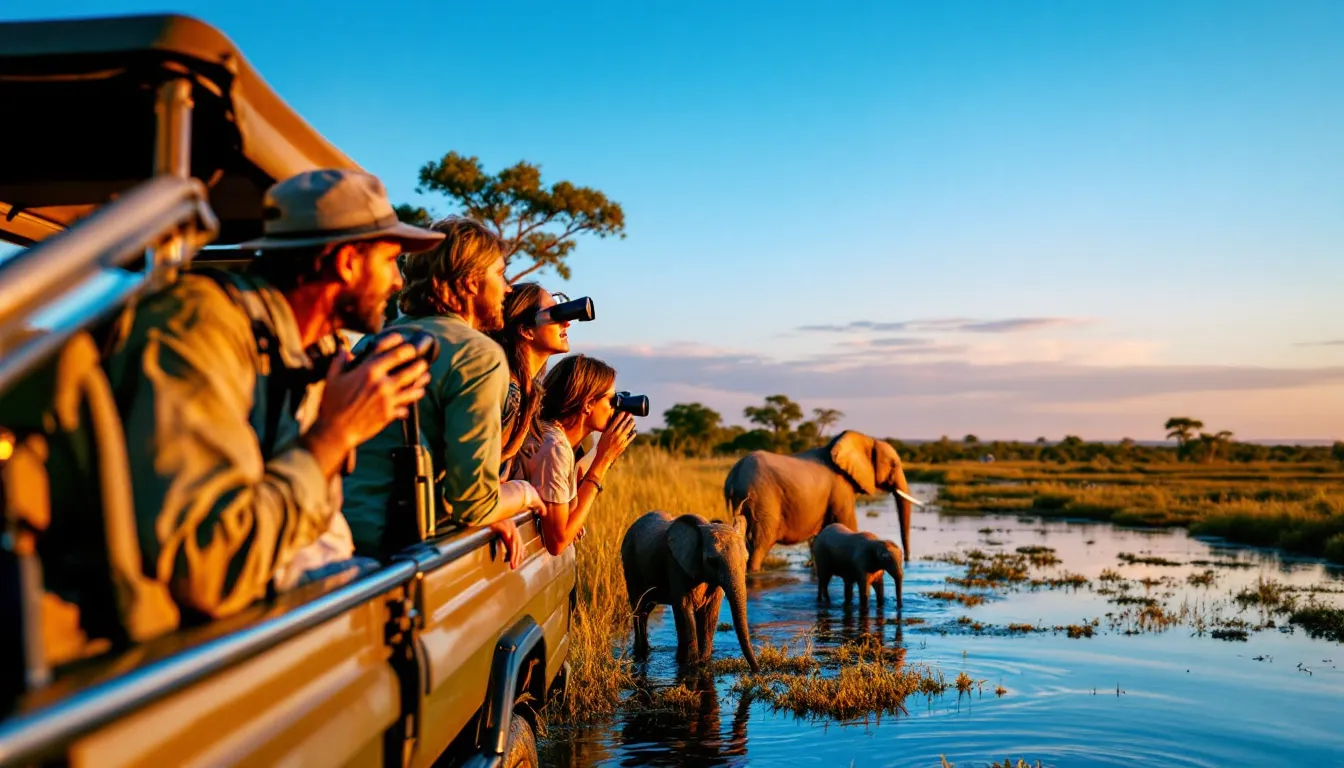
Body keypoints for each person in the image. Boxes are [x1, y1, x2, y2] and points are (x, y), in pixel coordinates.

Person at [104, 168, 442, 620]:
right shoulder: (199, 330)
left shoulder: (308, 351)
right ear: (346, 262)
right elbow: (207, 570)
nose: (399, 282)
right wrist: (334, 435)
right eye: (389, 261)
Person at [342, 217, 544, 563]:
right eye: (499, 274)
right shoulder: (479, 355)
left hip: (342, 538)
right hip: (402, 551)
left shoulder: (372, 343)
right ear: (469, 283)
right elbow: (473, 504)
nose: (508, 289)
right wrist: (523, 492)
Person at [512, 354, 638, 556]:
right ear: (588, 404)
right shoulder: (555, 448)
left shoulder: (551, 437)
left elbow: (569, 516)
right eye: (612, 400)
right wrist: (602, 461)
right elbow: (558, 542)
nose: (616, 407)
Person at [489, 284, 573, 478]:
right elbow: (486, 480)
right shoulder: (510, 393)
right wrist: (526, 496)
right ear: (527, 330)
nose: (566, 323)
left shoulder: (526, 391)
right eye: (555, 315)